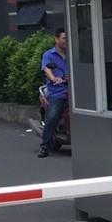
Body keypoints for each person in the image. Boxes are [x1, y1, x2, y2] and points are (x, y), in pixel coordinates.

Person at [38, 28, 69, 158]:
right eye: (64, 38)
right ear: (56, 39)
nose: (66, 41)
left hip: (75, 91)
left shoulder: (74, 53)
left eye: (68, 38)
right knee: (52, 116)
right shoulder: (49, 55)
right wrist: (54, 78)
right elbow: (46, 69)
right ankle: (44, 146)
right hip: (58, 91)